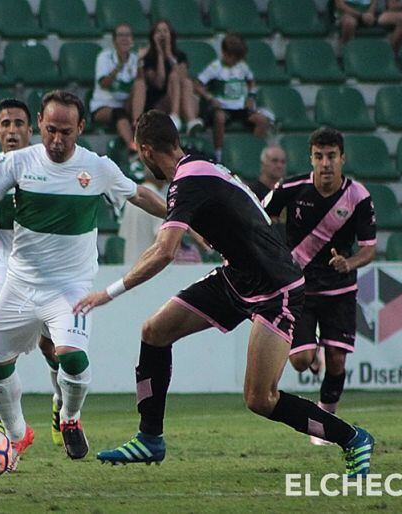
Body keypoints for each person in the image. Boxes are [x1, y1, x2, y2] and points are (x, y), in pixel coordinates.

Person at [74, 110, 374, 477]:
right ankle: (149, 437)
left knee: (260, 399)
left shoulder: (186, 181)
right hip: (237, 277)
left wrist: (109, 292)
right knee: (154, 331)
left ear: (146, 150)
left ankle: (353, 438)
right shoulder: (195, 168)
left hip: (276, 287)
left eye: (139, 153)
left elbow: (165, 251)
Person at [0, 90, 167, 470]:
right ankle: (17, 433)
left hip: (71, 287)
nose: (56, 139)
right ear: (39, 124)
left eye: (65, 131)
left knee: (71, 356)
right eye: (50, 130)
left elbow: (139, 196)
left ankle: (69, 415)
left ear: (80, 128)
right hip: (20, 283)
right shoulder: (19, 163)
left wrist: (180, 213)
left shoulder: (97, 167)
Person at [263, 127, 376, 446]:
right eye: (319, 156)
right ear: (311, 159)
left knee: (338, 360)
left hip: (340, 291)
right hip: (298, 290)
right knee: (300, 362)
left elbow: (369, 248)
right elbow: (258, 216)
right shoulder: (291, 187)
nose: (325, 163)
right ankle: (314, 354)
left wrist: (349, 263)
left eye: (331, 156)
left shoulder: (359, 197)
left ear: (342, 158)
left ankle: (327, 420)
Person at [0, 97, 65, 446]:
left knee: (52, 347)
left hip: (47, 265)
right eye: (6, 124)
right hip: (6, 259)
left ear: (31, 130)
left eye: (19, 124)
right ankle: (14, 428)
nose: (12, 131)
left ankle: (61, 401)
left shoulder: (51, 166)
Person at [194, 34, 270, 163]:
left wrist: (250, 97)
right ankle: (218, 153)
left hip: (240, 107)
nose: (235, 61)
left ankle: (256, 152)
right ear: (225, 53)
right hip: (223, 107)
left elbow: (251, 81)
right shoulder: (215, 67)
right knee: (219, 118)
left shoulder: (242, 66)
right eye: (232, 57)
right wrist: (210, 98)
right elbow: (197, 85)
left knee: (262, 120)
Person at [131, 19, 202, 134]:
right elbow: (159, 82)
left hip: (182, 101)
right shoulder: (148, 58)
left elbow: (183, 77)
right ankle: (175, 115)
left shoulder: (180, 55)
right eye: (158, 31)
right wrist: (159, 54)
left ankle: (191, 121)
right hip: (160, 102)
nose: (162, 34)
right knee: (173, 76)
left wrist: (169, 54)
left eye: (165, 31)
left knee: (186, 82)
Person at [89, 23, 139, 153]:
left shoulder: (136, 59)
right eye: (120, 35)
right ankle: (132, 147)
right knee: (119, 113)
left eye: (127, 35)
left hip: (127, 104)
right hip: (103, 106)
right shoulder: (104, 57)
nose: (124, 39)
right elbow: (104, 83)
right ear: (114, 40)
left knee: (141, 85)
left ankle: (138, 122)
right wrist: (119, 66)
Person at [335, 0, 402, 53]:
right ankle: (346, 53)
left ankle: (390, 55)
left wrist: (370, 13)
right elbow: (340, 5)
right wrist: (360, 15)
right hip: (347, 13)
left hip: (365, 14)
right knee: (349, 23)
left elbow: (373, 3)